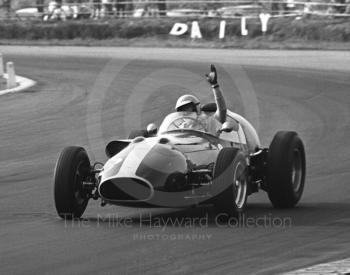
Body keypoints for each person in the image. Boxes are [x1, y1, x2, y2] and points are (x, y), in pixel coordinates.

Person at [159, 64, 226, 135]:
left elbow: (222, 109)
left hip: (207, 144)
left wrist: (215, 85)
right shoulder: (179, 127)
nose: (184, 112)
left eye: (187, 108)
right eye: (182, 110)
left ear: (195, 108)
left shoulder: (209, 121)